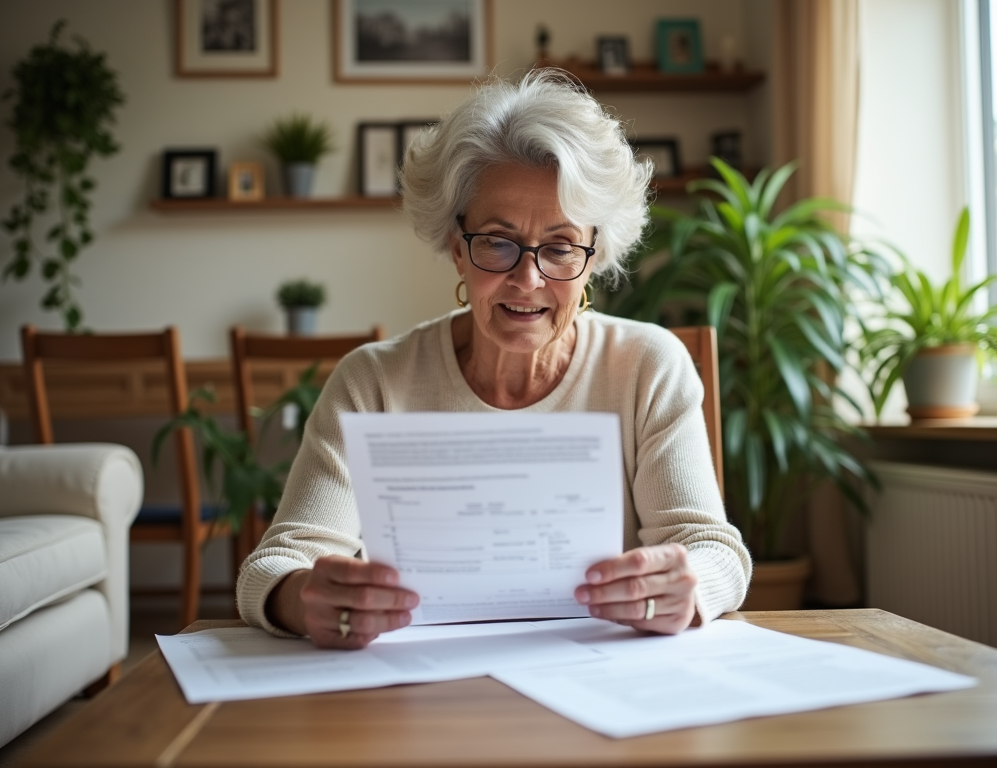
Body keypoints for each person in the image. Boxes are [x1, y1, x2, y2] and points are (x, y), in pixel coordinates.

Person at [236, 70, 752, 649]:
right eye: (498, 243)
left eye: (560, 247)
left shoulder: (647, 366)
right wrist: (302, 598)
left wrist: (692, 585)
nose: (527, 279)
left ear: (593, 255)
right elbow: (275, 564)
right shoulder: (374, 382)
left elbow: (712, 551)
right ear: (457, 248)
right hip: (412, 692)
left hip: (597, 682)